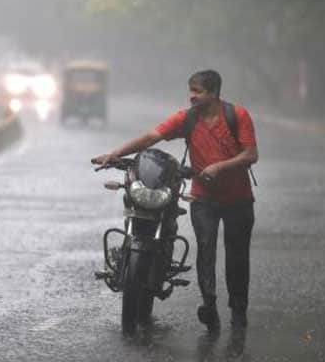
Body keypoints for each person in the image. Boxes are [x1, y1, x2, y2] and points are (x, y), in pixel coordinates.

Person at [92, 69, 258, 331]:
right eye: (190, 90)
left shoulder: (237, 116)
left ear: (214, 92)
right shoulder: (187, 119)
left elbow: (250, 155)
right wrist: (114, 154)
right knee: (206, 252)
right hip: (204, 198)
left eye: (197, 91)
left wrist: (219, 167)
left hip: (239, 199)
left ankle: (239, 312)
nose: (191, 96)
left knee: (237, 259)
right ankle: (210, 306)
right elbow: (151, 137)